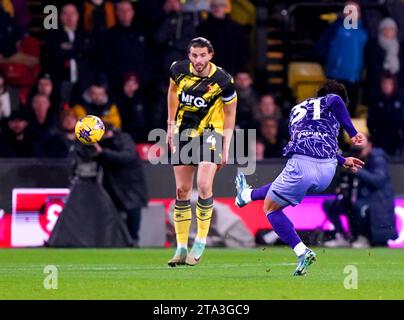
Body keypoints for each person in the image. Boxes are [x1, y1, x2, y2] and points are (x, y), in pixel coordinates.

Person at [234, 80, 365, 276]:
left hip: (302, 165)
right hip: (327, 171)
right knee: (280, 188)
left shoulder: (296, 109)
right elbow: (335, 104)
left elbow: (309, 137)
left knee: (270, 209)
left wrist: (351, 137)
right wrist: (344, 154)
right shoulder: (332, 102)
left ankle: (302, 251)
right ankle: (247, 195)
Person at [166, 37, 237, 266]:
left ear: (210, 55)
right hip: (183, 133)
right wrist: (169, 126)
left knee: (205, 186)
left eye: (202, 55)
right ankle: (180, 248)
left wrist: (226, 146)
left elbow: (230, 113)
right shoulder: (177, 70)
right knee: (182, 190)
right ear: (189, 55)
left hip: (210, 134)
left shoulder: (223, 79)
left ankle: (200, 242)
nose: (198, 60)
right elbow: (172, 93)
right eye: (194, 55)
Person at [92, 124, 148, 246]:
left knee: (133, 212)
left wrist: (102, 152)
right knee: (112, 215)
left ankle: (133, 240)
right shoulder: (99, 143)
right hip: (111, 184)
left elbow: (127, 156)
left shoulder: (123, 138)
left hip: (130, 183)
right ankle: (116, 240)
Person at [316, 1, 368, 116]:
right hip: (337, 78)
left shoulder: (364, 31)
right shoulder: (335, 27)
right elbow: (320, 47)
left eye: (355, 11)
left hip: (355, 79)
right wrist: (332, 64)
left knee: (351, 113)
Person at [367, 73, 404, 156]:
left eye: (389, 84)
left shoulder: (400, 101)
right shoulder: (376, 100)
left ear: (394, 85)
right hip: (378, 140)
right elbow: (370, 121)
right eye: (384, 83)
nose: (386, 86)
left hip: (395, 140)